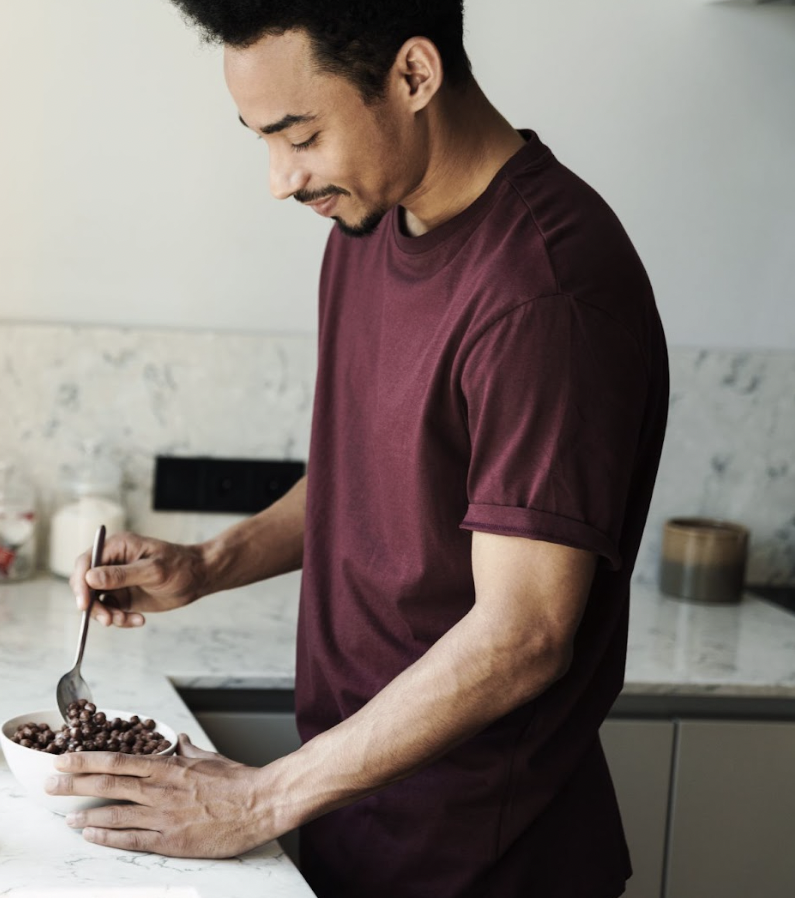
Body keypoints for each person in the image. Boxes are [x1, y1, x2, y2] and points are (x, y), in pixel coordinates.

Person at [45, 3, 670, 897]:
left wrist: (257, 804)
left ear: (414, 77)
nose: (278, 177)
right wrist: (210, 562)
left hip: (483, 859)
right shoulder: (370, 224)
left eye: (298, 134)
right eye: (260, 137)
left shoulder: (547, 291)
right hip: (352, 817)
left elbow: (523, 633)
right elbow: (378, 476)